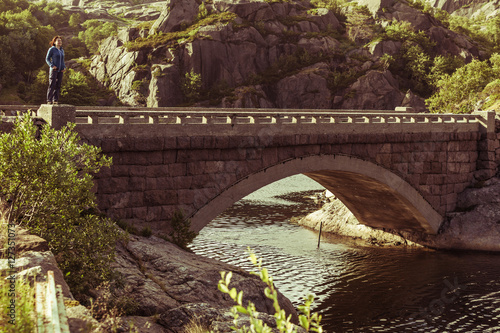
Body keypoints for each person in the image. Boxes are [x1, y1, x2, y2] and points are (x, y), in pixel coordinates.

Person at [45, 36, 66, 105]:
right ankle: (49, 100)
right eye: (58, 41)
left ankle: (55, 100)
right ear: (54, 42)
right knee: (52, 84)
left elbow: (62, 60)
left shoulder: (62, 50)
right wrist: (52, 66)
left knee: (58, 85)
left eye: (60, 41)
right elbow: (47, 59)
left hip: (60, 71)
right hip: (54, 70)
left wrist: (64, 67)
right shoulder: (52, 49)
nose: (59, 42)